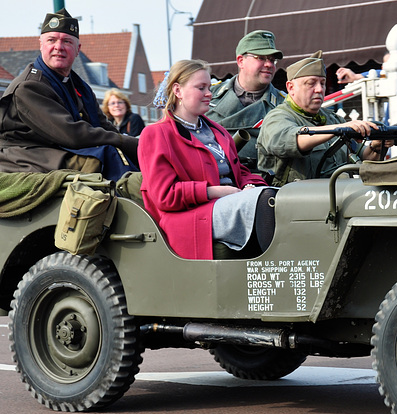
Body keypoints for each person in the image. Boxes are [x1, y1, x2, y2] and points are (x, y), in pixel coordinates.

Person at [139, 59, 274, 261]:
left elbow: (240, 172)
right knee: (266, 201)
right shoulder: (156, 134)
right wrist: (214, 191)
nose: (209, 93)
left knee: (282, 200)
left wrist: (250, 186)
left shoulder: (217, 130)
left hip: (231, 203)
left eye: (209, 87)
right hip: (193, 216)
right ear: (178, 90)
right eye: (201, 88)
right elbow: (165, 196)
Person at [0, 8, 139, 181]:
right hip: (26, 156)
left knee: (126, 154)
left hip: (56, 150)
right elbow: (71, 134)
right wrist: (126, 142)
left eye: (66, 41)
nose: (58, 47)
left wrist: (140, 145)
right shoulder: (29, 87)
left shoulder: (78, 85)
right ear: (41, 45)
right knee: (103, 157)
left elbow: (102, 126)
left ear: (78, 48)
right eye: (51, 40)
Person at [257, 51, 391, 186]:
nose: (319, 89)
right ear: (291, 87)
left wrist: (377, 146)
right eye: (311, 83)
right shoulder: (277, 117)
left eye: (322, 83)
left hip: (339, 196)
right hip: (294, 201)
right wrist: (338, 129)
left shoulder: (333, 119)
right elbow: (289, 140)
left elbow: (362, 156)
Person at [205, 30, 285, 170]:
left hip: (263, 183)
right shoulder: (209, 94)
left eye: (272, 60)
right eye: (261, 58)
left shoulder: (284, 103)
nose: (269, 64)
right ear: (241, 61)